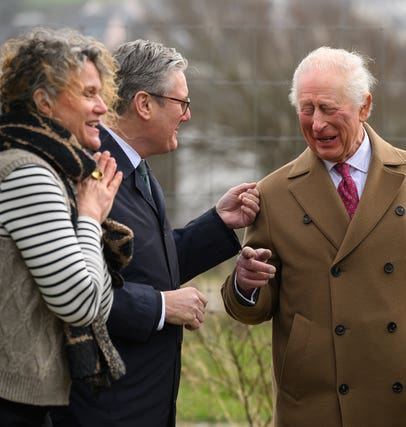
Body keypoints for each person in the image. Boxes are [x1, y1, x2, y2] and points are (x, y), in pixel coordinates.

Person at [221, 46, 406, 427]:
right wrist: (245, 283)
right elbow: (255, 307)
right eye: (306, 109)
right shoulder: (273, 192)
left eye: (329, 108)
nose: (317, 124)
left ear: (364, 106)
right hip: (315, 403)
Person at [50, 40, 260, 427]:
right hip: (103, 411)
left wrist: (217, 222)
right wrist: (162, 308)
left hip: (142, 404)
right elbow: (72, 290)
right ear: (144, 104)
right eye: (181, 103)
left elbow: (147, 265)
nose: (188, 116)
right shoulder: (89, 173)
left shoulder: (137, 171)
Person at [0, 27, 125, 426]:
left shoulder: (57, 174)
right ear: (45, 102)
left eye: (100, 94)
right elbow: (81, 303)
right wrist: (91, 218)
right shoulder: (28, 174)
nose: (102, 108)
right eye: (88, 94)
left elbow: (97, 305)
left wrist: (89, 215)